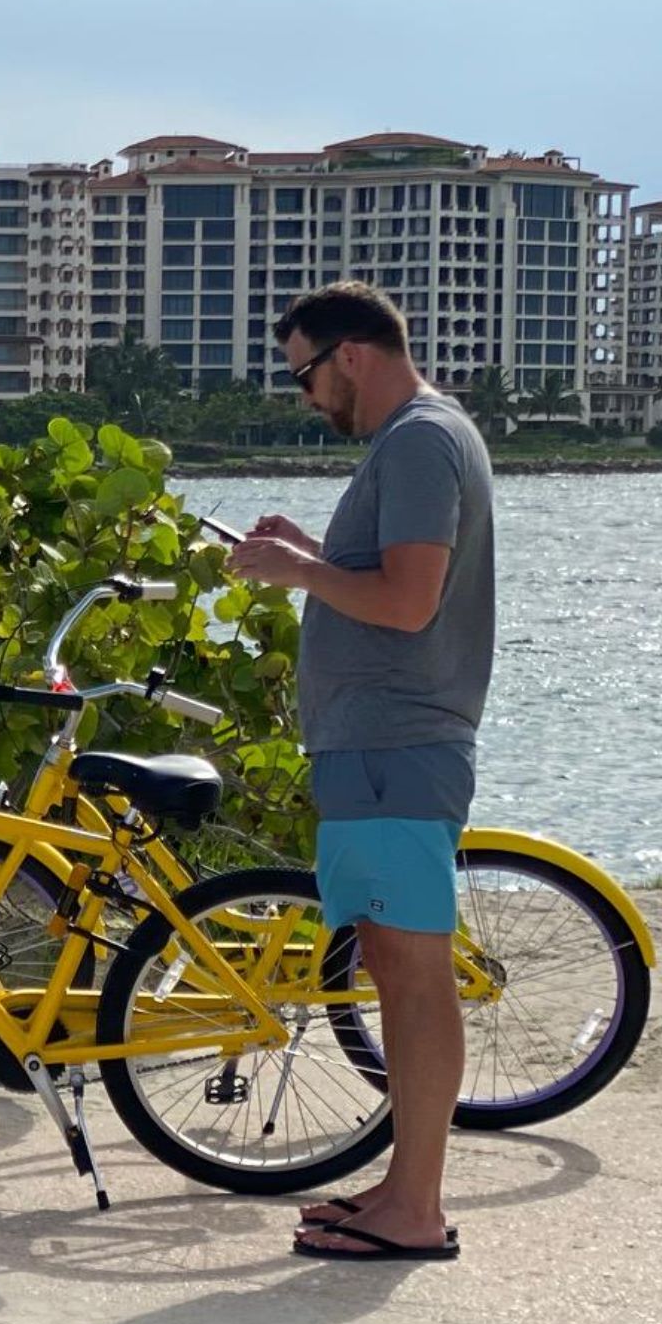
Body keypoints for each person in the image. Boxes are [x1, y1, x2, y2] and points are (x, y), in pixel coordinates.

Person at [226, 280, 493, 1264]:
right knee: (394, 966)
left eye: (304, 372)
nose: (305, 395)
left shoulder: (419, 440)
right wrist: (308, 550)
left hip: (394, 745)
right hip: (379, 746)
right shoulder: (422, 437)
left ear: (350, 355)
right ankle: (401, 1187)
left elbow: (411, 601)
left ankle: (417, 1208)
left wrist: (299, 575)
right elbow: (381, 578)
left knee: (413, 977)